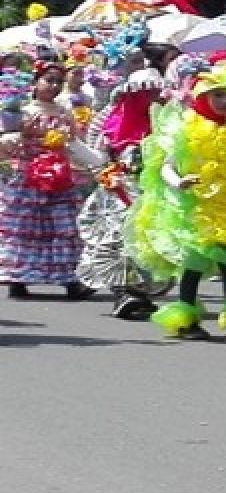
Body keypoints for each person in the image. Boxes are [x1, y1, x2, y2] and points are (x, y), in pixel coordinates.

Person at [129, 61, 226, 343]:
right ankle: (187, 318)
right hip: (192, 208)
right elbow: (166, 166)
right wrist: (178, 182)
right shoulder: (183, 128)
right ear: (203, 97)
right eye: (218, 95)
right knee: (192, 267)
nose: (224, 101)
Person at [0, 61, 99, 299]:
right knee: (25, 229)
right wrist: (18, 136)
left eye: (58, 82)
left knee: (65, 228)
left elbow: (73, 145)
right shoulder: (19, 110)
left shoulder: (65, 112)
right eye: (49, 80)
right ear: (36, 82)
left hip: (59, 179)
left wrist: (95, 163)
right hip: (27, 179)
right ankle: (19, 277)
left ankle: (70, 279)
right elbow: (5, 143)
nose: (54, 86)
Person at [76, 68, 168, 319]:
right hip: (118, 188)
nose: (149, 99)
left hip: (153, 188)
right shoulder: (110, 118)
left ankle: (141, 291)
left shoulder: (163, 120)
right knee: (117, 240)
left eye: (154, 93)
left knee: (147, 241)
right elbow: (97, 156)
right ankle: (122, 292)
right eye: (144, 93)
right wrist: (105, 173)